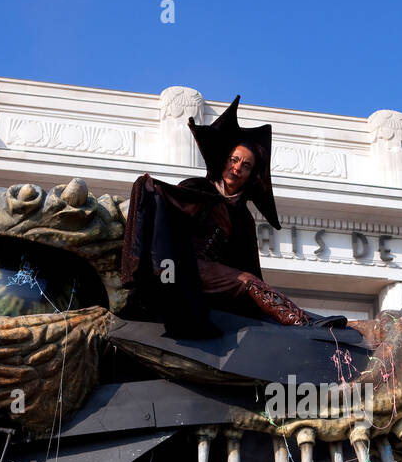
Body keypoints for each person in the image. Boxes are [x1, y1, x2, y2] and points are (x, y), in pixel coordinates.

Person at [122, 96, 343, 334]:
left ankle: (310, 322)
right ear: (224, 161)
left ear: (251, 175)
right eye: (234, 160)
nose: (237, 168)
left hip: (217, 282)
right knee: (247, 281)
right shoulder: (197, 189)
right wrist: (150, 188)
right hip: (183, 268)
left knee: (252, 284)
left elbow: (251, 268)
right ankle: (305, 325)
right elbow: (166, 211)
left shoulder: (243, 218)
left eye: (246, 166)